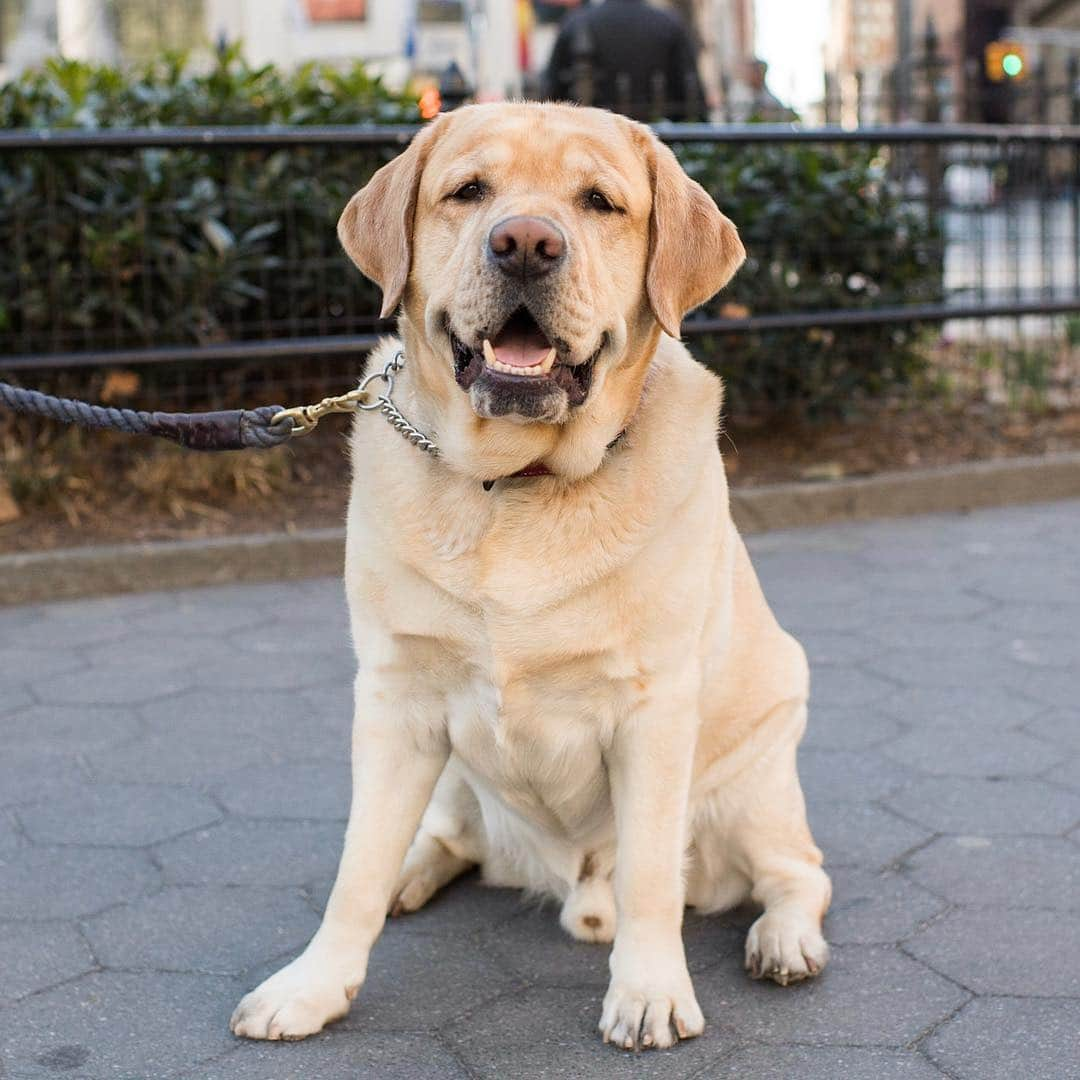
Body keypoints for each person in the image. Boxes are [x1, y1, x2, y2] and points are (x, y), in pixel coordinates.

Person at [542, 0, 706, 122]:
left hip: (595, 146)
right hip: (661, 141)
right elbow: (693, 101)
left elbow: (551, 97)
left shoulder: (576, 23)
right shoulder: (668, 24)